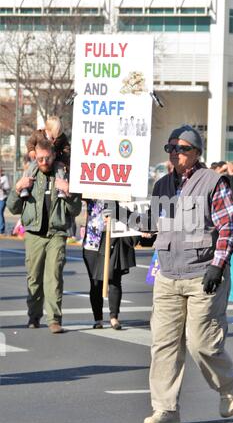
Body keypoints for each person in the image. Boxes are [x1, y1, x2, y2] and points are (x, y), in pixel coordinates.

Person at [142, 125, 233, 423]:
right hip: (168, 274)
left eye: (182, 148)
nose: (175, 153)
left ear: (196, 153)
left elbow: (228, 228)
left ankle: (228, 386)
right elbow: (157, 222)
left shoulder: (213, 182)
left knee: (202, 343)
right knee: (164, 344)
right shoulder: (162, 185)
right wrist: (140, 228)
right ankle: (165, 409)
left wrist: (218, 265)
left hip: (203, 275)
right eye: (171, 148)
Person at [6, 139, 81, 333]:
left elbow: (75, 210)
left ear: (53, 155)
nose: (44, 162)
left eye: (47, 158)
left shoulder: (62, 174)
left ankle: (54, 319)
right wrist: (17, 188)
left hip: (56, 233)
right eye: (40, 158)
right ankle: (34, 316)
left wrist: (70, 192)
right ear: (35, 157)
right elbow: (13, 208)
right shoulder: (29, 176)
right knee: (34, 277)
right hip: (34, 234)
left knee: (54, 277)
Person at [82, 199, 138, 330]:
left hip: (113, 239)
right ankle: (98, 319)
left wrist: (116, 217)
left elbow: (129, 213)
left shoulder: (119, 195)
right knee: (95, 282)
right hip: (92, 241)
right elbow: (77, 193)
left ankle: (114, 317)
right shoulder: (89, 193)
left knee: (114, 280)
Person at [0, 167, 10, 234]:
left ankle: (1, 229)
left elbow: (8, 187)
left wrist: (1, 186)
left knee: (0, 212)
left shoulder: (4, 178)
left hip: (2, 198)